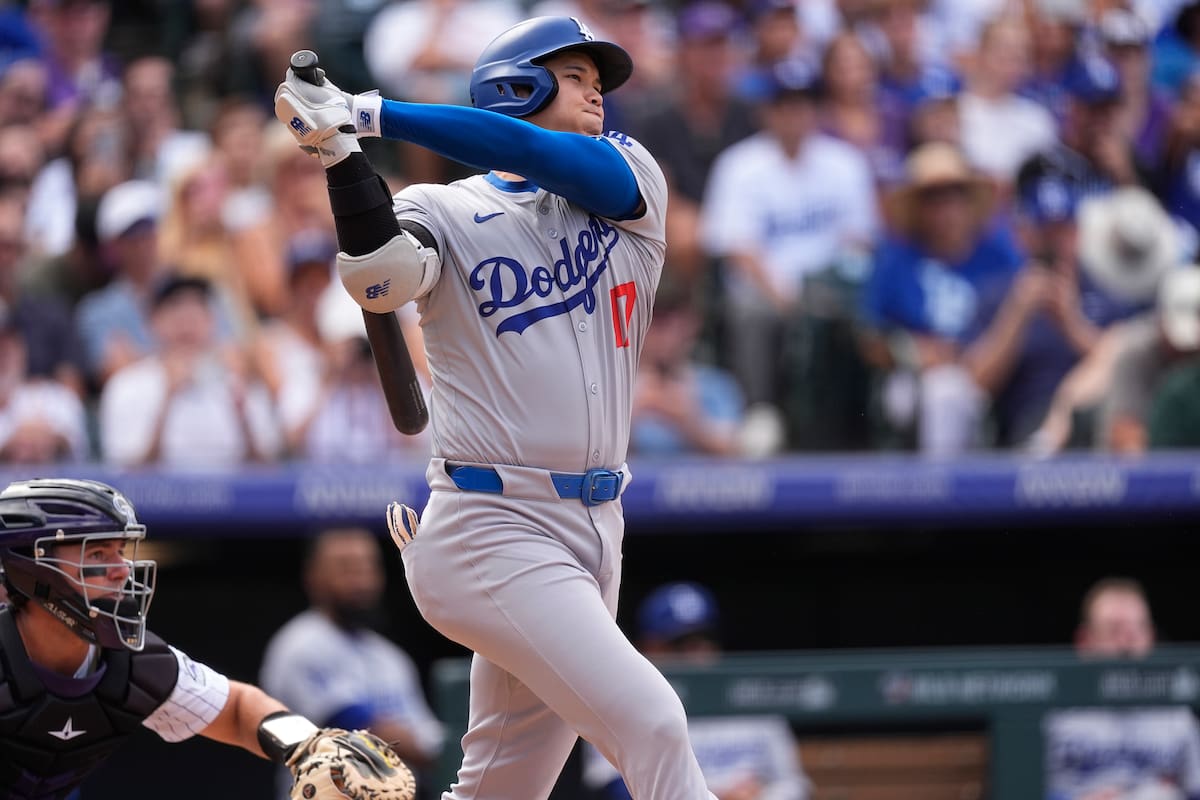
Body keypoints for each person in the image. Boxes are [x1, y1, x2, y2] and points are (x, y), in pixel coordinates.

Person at [273, 15, 717, 799]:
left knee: (502, 789)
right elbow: (382, 279)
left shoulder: (630, 177)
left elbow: (537, 154)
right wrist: (344, 160)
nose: (598, 95)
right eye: (577, 78)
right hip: (491, 521)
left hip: (595, 528)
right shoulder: (441, 207)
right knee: (655, 725)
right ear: (519, 87)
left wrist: (369, 114)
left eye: (598, 81)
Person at [0, 476, 413, 800]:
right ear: (32, 567)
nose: (122, 571)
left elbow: (236, 708)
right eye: (97, 554)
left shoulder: (131, 662)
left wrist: (307, 747)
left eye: (121, 551)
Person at [582, 582, 811, 800]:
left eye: (703, 641)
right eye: (680, 644)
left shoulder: (749, 695)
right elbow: (615, 789)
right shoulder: (622, 702)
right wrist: (718, 795)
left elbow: (793, 784)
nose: (697, 654)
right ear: (650, 647)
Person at [261, 526, 444, 799]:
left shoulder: (390, 658)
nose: (361, 581)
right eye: (346, 568)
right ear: (313, 577)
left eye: (368, 567)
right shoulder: (300, 645)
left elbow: (430, 736)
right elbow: (358, 729)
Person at [1044, 577, 1200, 800]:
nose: (1127, 643)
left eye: (1137, 630)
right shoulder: (1054, 714)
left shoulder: (1176, 716)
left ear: (1151, 638)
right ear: (1084, 641)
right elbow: (1021, 788)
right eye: (1114, 630)